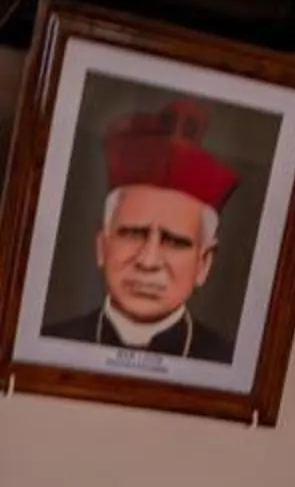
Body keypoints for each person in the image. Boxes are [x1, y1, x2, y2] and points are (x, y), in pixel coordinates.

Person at [42, 98, 239, 360]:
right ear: (102, 246)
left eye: (174, 242)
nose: (148, 261)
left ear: (203, 263)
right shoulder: (49, 344)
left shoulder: (226, 362)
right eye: (133, 233)